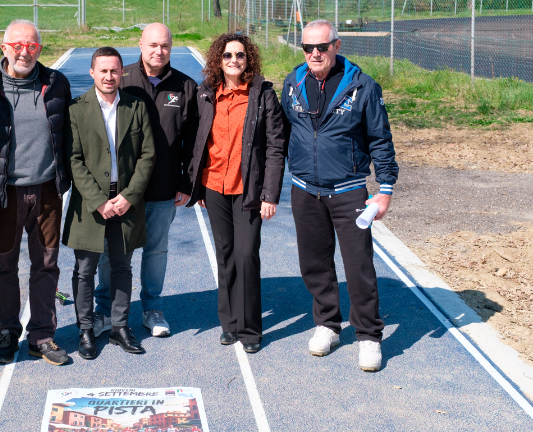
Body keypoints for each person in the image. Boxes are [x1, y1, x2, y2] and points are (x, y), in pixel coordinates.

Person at [281, 20, 398, 371]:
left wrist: (386, 189)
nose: (314, 54)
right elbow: (282, 133)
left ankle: (368, 336)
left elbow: (380, 139)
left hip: (349, 193)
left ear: (337, 45)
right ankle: (327, 325)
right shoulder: (293, 82)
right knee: (315, 264)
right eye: (307, 48)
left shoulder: (362, 85)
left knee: (358, 266)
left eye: (322, 47)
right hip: (304, 190)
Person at [0, 19, 72, 366]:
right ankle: (9, 330)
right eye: (18, 45)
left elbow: (68, 136)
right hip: (4, 195)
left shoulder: (56, 84)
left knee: (46, 265)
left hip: (47, 193)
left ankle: (42, 335)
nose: (25, 51)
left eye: (32, 46)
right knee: (3, 266)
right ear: (4, 48)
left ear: (39, 49)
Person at [92, 23, 198, 338]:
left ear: (171, 47)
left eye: (164, 46)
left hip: (163, 188)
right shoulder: (120, 80)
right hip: (120, 189)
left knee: (156, 250)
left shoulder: (186, 86)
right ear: (140, 44)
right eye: (152, 45)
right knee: (112, 251)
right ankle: (104, 310)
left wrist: (186, 182)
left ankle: (152, 308)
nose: (158, 51)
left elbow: (192, 141)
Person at [187, 33, 288, 354]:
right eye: (228, 55)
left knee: (246, 257)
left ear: (249, 59)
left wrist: (270, 194)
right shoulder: (206, 95)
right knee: (226, 257)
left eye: (240, 55)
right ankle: (229, 324)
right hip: (214, 186)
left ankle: (250, 328)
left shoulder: (263, 96)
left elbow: (276, 147)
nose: (234, 60)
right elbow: (195, 140)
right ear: (219, 60)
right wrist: (197, 184)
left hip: (249, 191)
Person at [63, 47, 155, 359]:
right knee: (85, 270)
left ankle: (119, 327)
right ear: (92, 72)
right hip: (91, 204)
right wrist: (99, 201)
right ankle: (86, 329)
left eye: (114, 70)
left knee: (122, 266)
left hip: (125, 200)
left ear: (122, 72)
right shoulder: (76, 109)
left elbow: (147, 155)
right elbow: (75, 161)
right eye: (103, 70)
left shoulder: (136, 106)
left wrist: (128, 197)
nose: (109, 76)